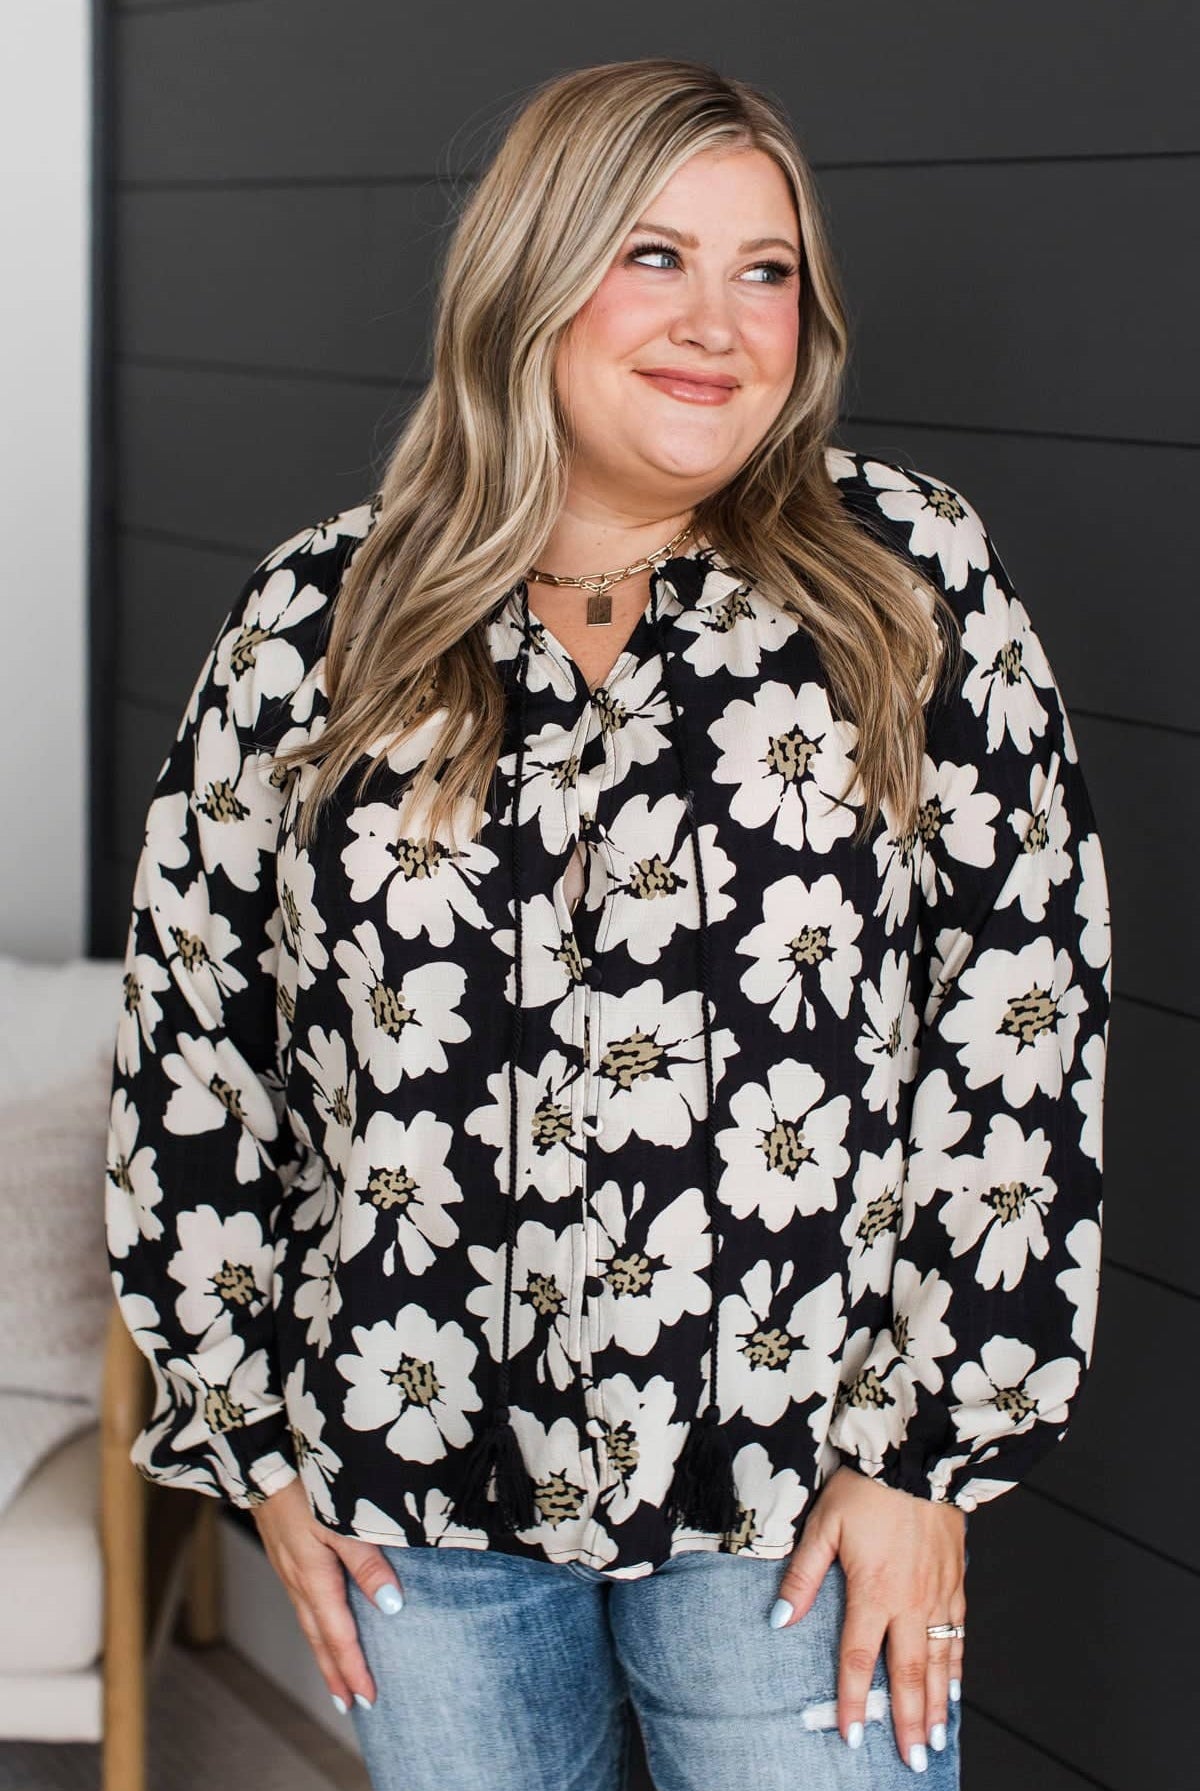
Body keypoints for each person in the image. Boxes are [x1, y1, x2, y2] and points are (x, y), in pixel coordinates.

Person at [103, 56, 1111, 1791]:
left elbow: (1022, 1012)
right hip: (412, 1485)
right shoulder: (320, 620)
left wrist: (924, 1462)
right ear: (534, 274)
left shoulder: (902, 577)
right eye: (653, 255)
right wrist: (255, 1442)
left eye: (764, 271)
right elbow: (198, 1043)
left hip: (795, 1489)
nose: (718, 323)